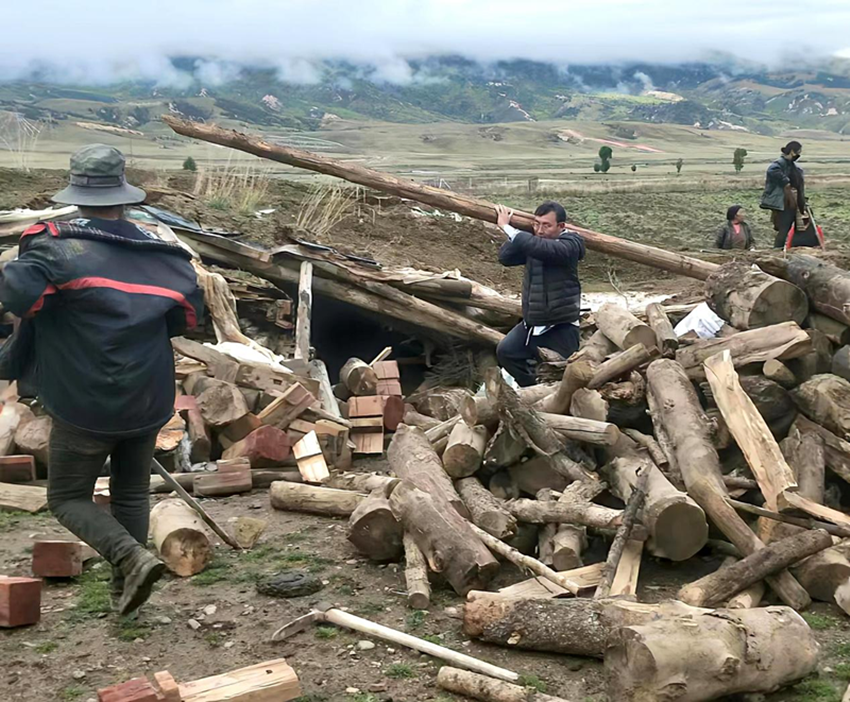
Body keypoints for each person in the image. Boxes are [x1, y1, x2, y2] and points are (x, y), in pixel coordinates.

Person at [0, 144, 204, 615]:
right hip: (148, 396)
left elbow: (17, 294)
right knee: (131, 492)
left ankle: (131, 558)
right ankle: (127, 595)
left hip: (85, 401)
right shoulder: (165, 255)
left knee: (67, 498)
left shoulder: (54, 248)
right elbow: (184, 321)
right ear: (124, 197)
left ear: (77, 194)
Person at [494, 201, 585, 386]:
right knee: (506, 352)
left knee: (564, 374)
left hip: (560, 325)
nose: (540, 230)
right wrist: (524, 231)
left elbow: (544, 249)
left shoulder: (570, 245)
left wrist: (507, 227)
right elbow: (505, 257)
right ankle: (532, 390)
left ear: (561, 226)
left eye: (546, 225)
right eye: (536, 224)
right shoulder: (534, 242)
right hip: (533, 321)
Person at [760, 141, 819, 248]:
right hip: (785, 203)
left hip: (796, 202)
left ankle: (797, 246)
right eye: (798, 152)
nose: (799, 154)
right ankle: (778, 249)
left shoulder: (794, 166)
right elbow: (772, 171)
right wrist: (785, 181)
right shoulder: (780, 163)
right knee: (784, 228)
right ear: (792, 151)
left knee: (801, 226)